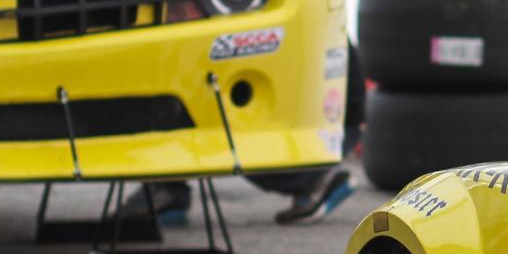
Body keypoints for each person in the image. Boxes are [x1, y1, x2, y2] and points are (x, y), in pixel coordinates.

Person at [123, 42, 365, 226]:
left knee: (225, 99)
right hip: (327, 110)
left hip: (327, 122)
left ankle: (314, 178)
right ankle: (166, 186)